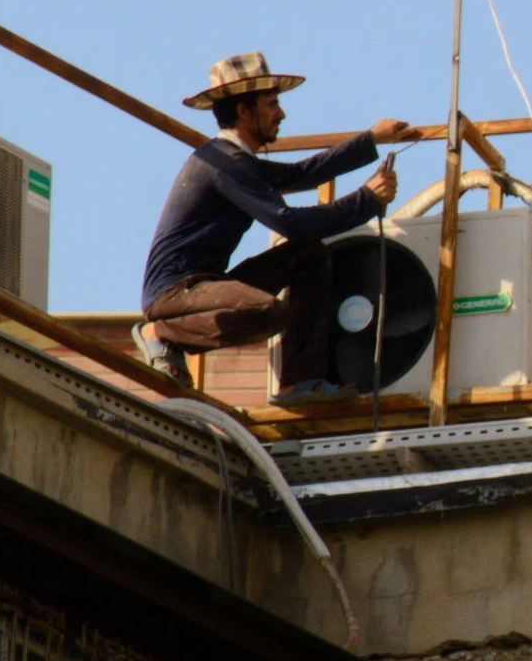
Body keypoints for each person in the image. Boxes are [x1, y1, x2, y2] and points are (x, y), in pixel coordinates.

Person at [139, 52, 405, 401]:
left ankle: (301, 381)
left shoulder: (237, 161)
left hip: (206, 287)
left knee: (308, 255)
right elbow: (289, 222)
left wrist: (370, 140)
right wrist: (366, 200)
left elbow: (300, 174)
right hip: (175, 294)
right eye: (272, 104)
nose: (281, 114)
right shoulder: (223, 162)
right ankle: (161, 333)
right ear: (243, 111)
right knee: (267, 311)